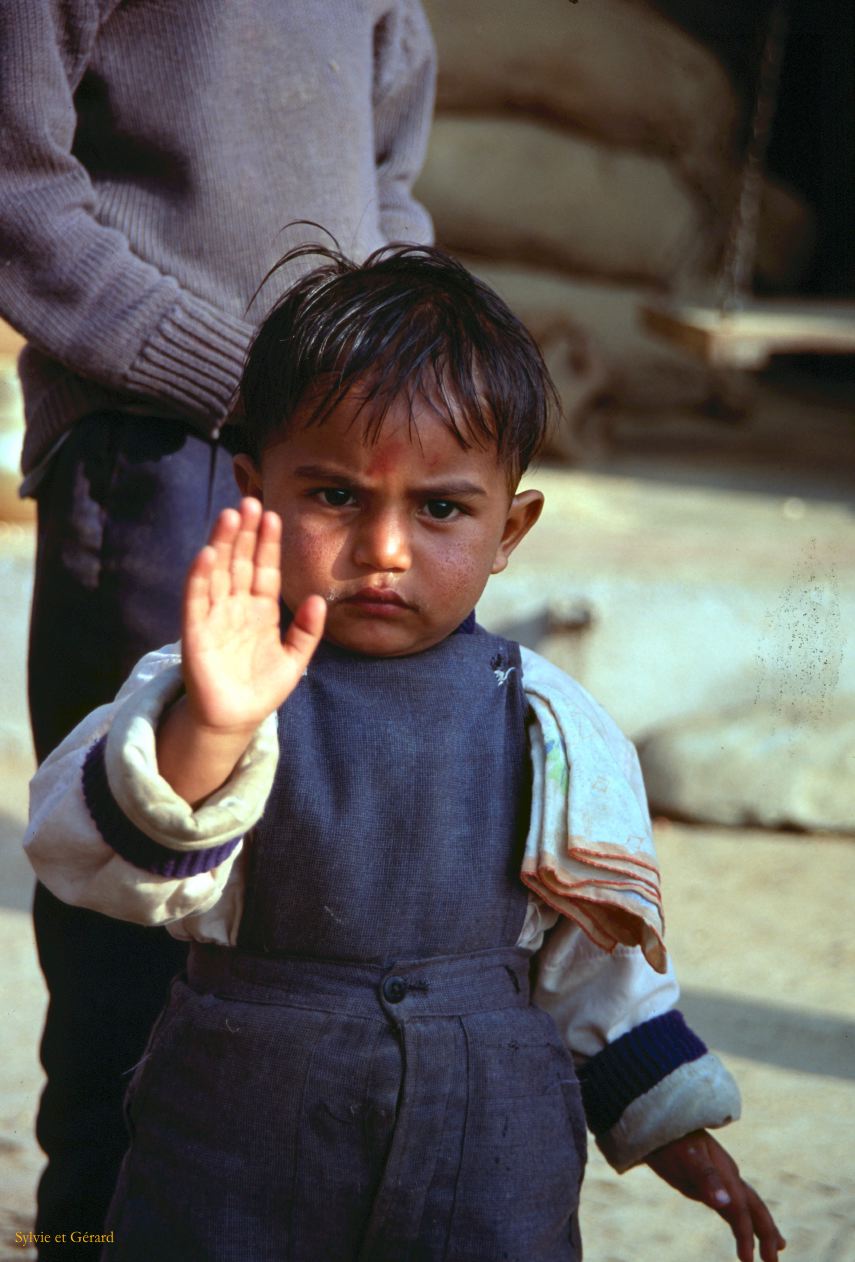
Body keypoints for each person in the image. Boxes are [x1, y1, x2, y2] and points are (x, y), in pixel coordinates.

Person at [25, 246, 785, 1262]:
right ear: (253, 491)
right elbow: (79, 857)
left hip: (489, 1161)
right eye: (335, 496)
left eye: (441, 508)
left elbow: (593, 960)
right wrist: (210, 731)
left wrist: (672, 1128)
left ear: (510, 528)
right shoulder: (209, 682)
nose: (384, 549)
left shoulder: (551, 723)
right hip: (238, 1140)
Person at [0, 2, 435, 1248]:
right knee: (142, 874)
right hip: (159, 449)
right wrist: (251, 386)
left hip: (344, 450)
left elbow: (390, 186)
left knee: (319, 859)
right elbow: (19, 190)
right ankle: (95, 1226)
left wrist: (398, 380)